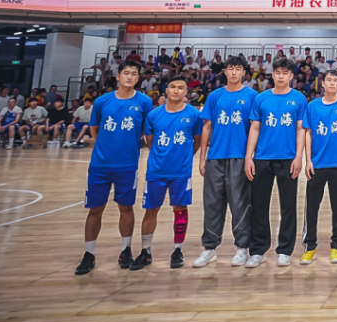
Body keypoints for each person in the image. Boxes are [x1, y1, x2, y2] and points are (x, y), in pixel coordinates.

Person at [74, 61, 155, 275]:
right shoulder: (102, 101)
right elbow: (94, 128)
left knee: (126, 208)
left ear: (138, 78)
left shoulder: (144, 102)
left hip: (128, 165)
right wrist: (106, 146)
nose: (130, 77)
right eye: (126, 73)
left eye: (134, 74)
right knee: (95, 209)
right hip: (100, 165)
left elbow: (145, 129)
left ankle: (126, 250)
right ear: (118, 76)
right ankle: (89, 254)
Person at [131, 76, 202, 270]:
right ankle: (145, 251)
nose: (176, 90)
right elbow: (150, 141)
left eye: (181, 87)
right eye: (172, 87)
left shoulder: (194, 114)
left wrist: (185, 157)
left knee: (180, 209)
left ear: (186, 92)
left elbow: (197, 140)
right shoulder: (154, 115)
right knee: (151, 210)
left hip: (181, 172)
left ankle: (177, 250)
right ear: (166, 91)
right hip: (156, 171)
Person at [194, 55, 258, 268]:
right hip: (215, 156)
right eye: (230, 68)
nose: (234, 72)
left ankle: (241, 248)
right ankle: (209, 248)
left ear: (244, 72)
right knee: (212, 203)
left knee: (240, 203)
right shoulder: (215, 96)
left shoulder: (251, 96)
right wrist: (203, 157)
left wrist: (250, 157)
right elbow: (206, 126)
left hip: (240, 157)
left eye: (238, 69)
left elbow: (255, 127)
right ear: (225, 71)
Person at [244, 58, 306, 268]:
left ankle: (285, 250)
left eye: (285, 72)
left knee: (288, 206)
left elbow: (300, 130)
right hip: (262, 158)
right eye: (277, 72)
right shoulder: (261, 99)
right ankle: (258, 250)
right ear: (273, 75)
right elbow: (254, 128)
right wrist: (249, 157)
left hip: (288, 158)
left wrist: (299, 157)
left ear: (291, 76)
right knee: (259, 205)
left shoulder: (298, 99)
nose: (280, 76)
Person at [301, 70, 337, 265]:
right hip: (317, 165)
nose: (332, 83)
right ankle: (310, 246)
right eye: (329, 80)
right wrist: (308, 160)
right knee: (311, 207)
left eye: (335, 80)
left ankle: (336, 246)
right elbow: (308, 133)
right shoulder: (313, 106)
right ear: (323, 84)